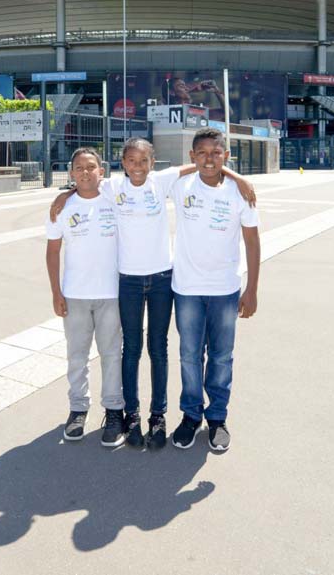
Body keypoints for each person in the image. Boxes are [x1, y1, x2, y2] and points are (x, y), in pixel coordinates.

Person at [50, 138, 255, 450]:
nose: (137, 167)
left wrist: (237, 176)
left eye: (143, 161)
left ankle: (157, 417)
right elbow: (86, 182)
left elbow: (201, 163)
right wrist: (65, 194)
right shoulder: (112, 187)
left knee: (159, 349)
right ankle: (130, 415)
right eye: (131, 161)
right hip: (128, 282)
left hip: (162, 279)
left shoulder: (163, 181)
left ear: (152, 162)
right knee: (130, 349)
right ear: (121, 164)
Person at [171, 127, 260, 452]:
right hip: (187, 290)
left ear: (226, 156)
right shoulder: (180, 185)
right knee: (189, 356)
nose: (209, 159)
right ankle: (191, 416)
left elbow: (252, 241)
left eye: (216, 153)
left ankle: (217, 417)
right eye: (202, 153)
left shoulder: (241, 194)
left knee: (221, 357)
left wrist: (251, 290)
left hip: (225, 290)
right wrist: (66, 193)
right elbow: (139, 177)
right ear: (192, 157)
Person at [44, 147, 125, 446]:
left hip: (112, 294)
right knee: (76, 356)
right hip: (75, 295)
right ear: (71, 173)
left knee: (112, 355)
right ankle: (78, 408)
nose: (85, 172)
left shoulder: (114, 200)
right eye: (79, 168)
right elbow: (53, 251)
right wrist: (56, 292)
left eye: (91, 167)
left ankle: (114, 410)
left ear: (102, 171)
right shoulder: (61, 208)